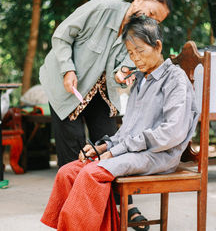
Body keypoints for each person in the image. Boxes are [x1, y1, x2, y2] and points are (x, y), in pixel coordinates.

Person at [40, 15, 200, 230]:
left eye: (140, 51)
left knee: (92, 173)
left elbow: (172, 133)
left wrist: (117, 151)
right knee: (67, 172)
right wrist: (103, 147)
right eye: (131, 53)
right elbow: (127, 130)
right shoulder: (140, 80)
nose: (136, 59)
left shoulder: (175, 78)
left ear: (157, 46)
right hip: (135, 152)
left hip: (160, 154)